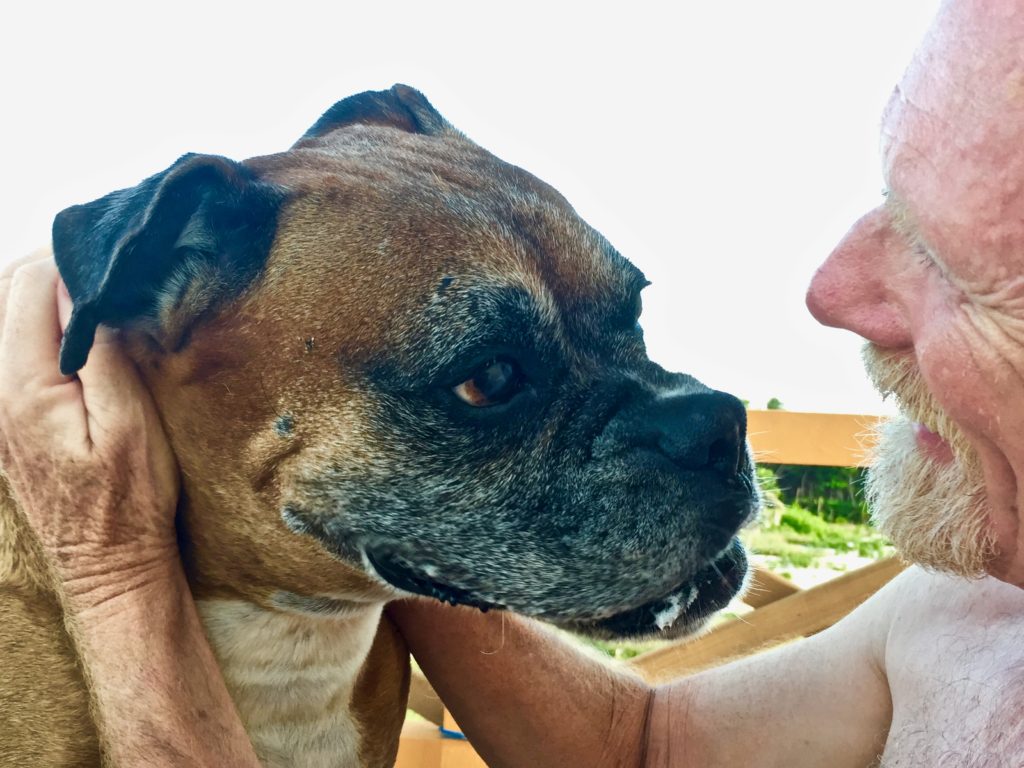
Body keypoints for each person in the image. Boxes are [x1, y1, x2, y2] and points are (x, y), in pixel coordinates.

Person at [3, 0, 1024, 764]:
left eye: (946, 262)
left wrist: (112, 570)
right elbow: (639, 750)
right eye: (493, 376)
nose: (832, 289)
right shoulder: (959, 621)